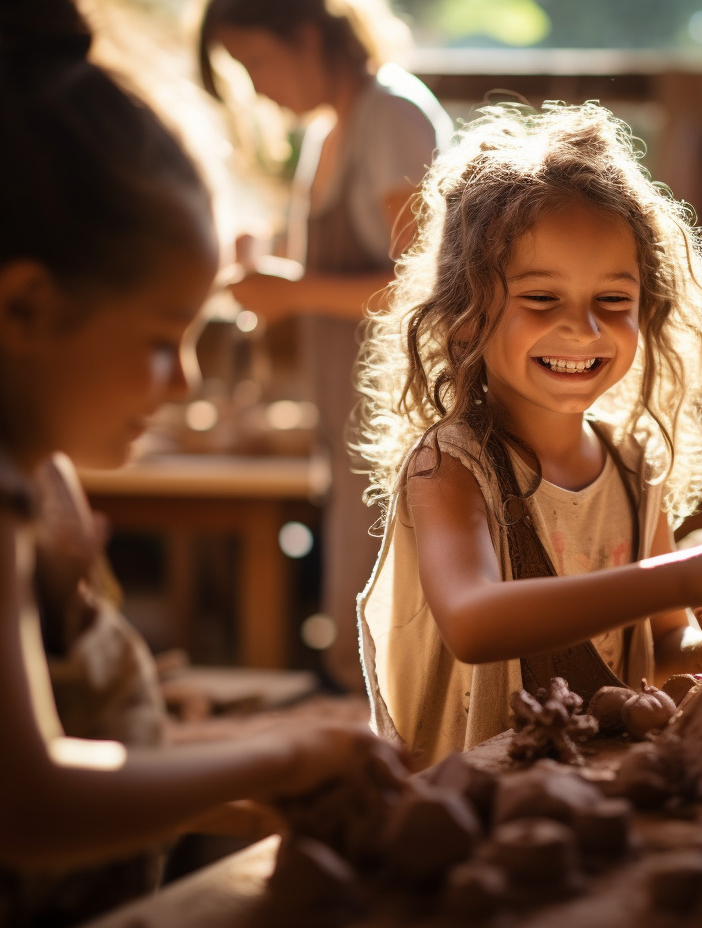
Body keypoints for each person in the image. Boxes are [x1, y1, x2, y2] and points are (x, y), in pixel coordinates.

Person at [0, 2, 402, 925]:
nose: (179, 380)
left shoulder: (26, 474)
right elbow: (21, 803)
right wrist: (283, 761)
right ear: (22, 310)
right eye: (156, 340)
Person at [354, 102, 702, 770]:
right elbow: (474, 621)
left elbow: (655, 649)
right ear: (464, 317)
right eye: (542, 300)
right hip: (466, 820)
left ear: (647, 310)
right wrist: (684, 575)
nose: (585, 330)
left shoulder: (634, 469)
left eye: (613, 302)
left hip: (588, 805)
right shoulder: (450, 467)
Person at [198, 0, 453, 692]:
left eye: (257, 63)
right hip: (348, 430)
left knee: (398, 650)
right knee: (356, 638)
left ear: (308, 36)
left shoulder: (391, 115)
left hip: (400, 426)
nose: (257, 87)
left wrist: (295, 291)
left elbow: (426, 286)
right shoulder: (327, 134)